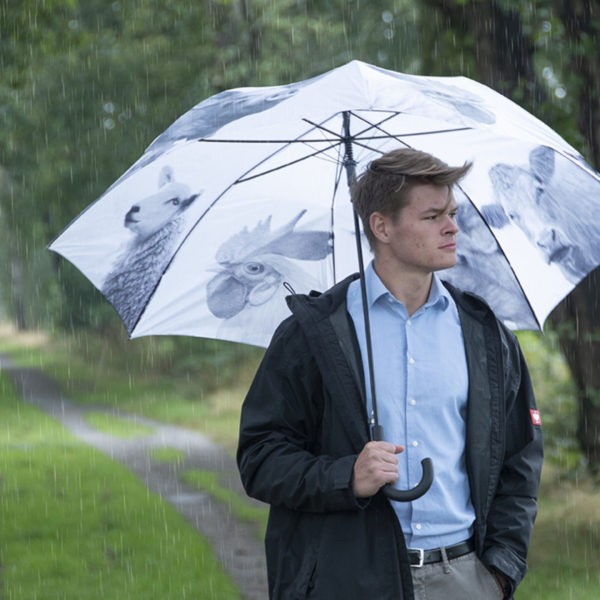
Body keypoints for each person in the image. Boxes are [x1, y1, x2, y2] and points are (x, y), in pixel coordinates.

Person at [237, 148, 543, 600]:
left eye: (453, 213)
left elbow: (520, 461)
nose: (452, 227)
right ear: (381, 226)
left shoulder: (486, 335)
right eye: (433, 215)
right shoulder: (314, 334)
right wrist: (348, 477)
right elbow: (260, 459)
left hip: (463, 579)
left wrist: (499, 569)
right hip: (348, 579)